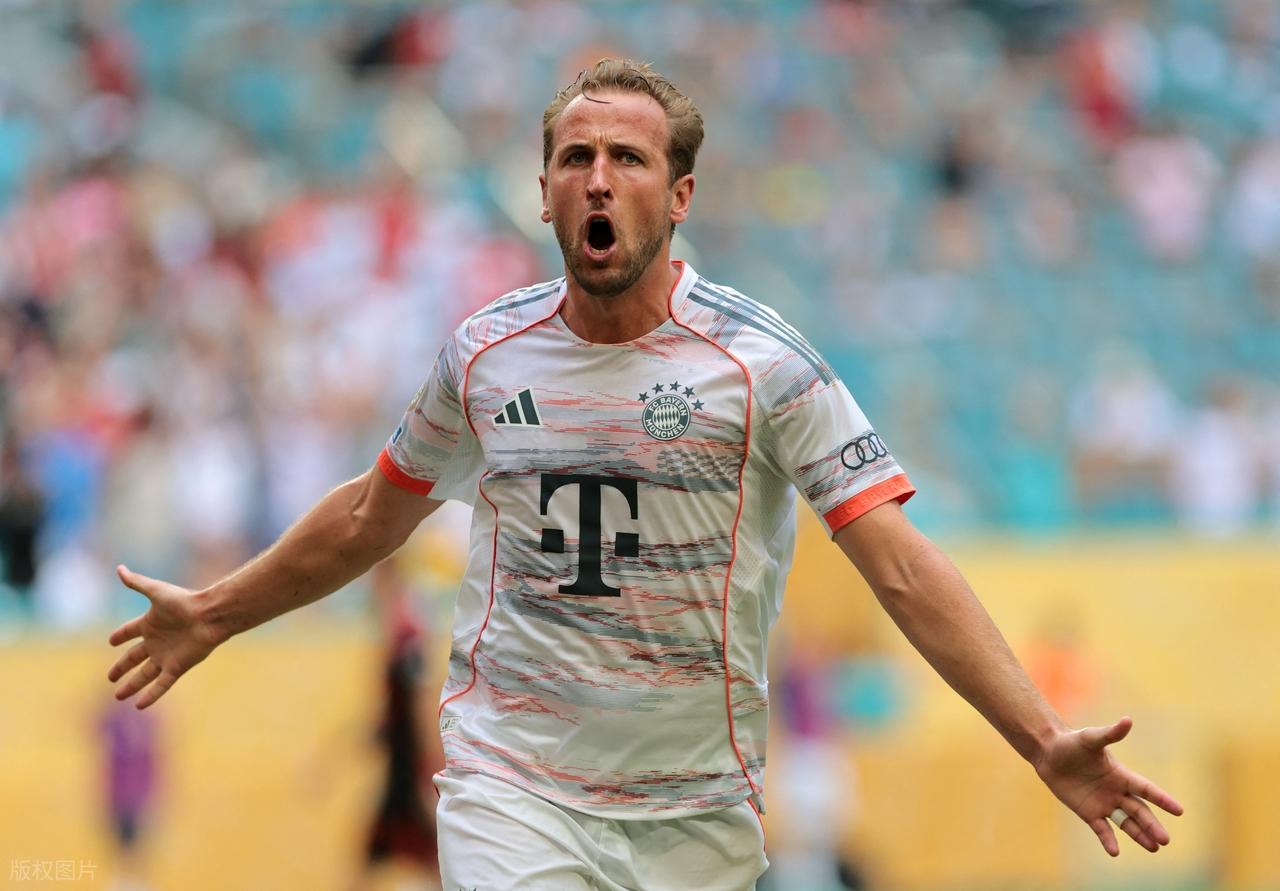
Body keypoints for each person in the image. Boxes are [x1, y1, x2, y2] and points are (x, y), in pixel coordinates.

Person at [107, 58, 1182, 890]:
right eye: (575, 158)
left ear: (680, 195)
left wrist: (1042, 739)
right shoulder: (483, 357)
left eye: (627, 159)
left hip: (695, 811)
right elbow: (365, 518)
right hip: (512, 784)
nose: (598, 179)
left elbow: (897, 565)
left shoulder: (762, 368)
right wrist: (215, 611)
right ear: (542, 194)